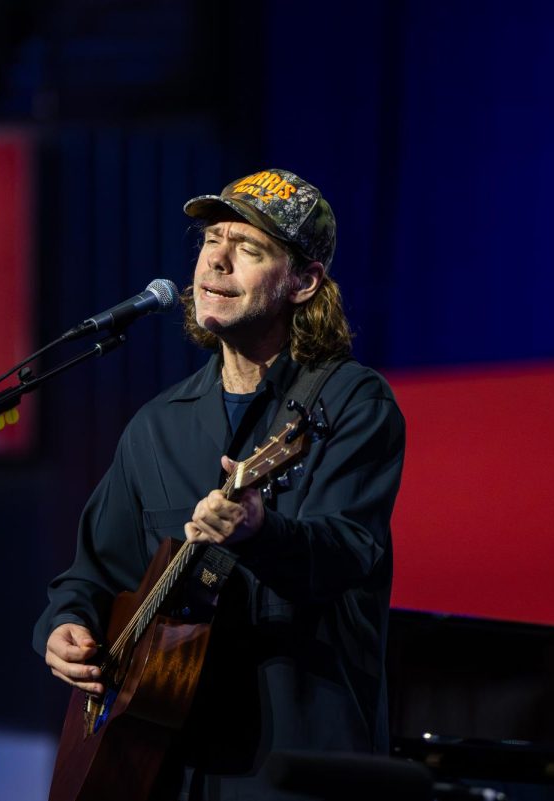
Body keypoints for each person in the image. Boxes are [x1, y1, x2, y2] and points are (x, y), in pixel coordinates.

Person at [34, 169, 405, 799]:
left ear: (304, 282)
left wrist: (262, 532)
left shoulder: (351, 401)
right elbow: (92, 573)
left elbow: (350, 552)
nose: (217, 261)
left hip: (297, 762)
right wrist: (62, 627)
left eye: (250, 249)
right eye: (211, 240)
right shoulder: (157, 426)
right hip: (170, 765)